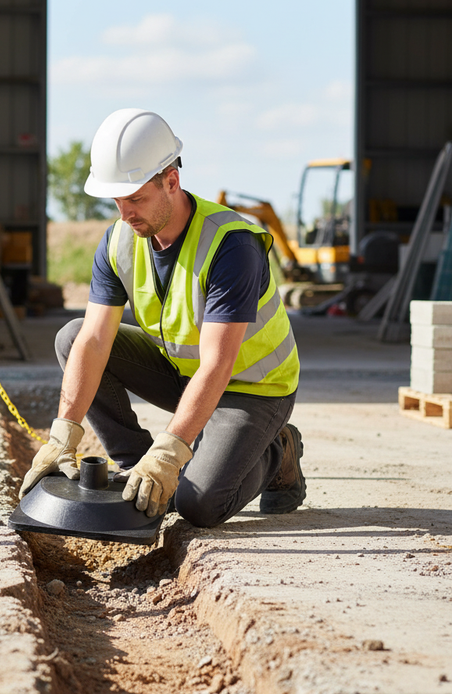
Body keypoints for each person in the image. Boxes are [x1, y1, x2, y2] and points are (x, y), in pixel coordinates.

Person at [20, 108, 305, 526]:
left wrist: (171, 453)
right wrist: (64, 431)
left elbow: (218, 363)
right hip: (184, 374)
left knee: (198, 505)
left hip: (254, 389)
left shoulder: (232, 245)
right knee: (72, 336)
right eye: (117, 200)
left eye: (136, 198)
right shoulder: (120, 240)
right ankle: (138, 465)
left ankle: (278, 449)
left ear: (171, 181)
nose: (125, 213)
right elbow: (94, 340)